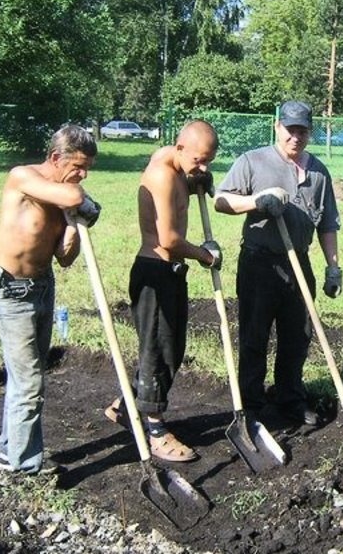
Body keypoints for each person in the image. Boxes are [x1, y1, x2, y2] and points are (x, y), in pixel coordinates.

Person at [214, 100, 342, 427]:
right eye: (290, 130)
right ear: (277, 127)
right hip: (260, 264)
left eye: (302, 131)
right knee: (255, 336)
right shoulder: (253, 162)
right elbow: (221, 200)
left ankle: (290, 399)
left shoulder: (318, 173)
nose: (295, 137)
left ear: (310, 132)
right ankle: (252, 407)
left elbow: (328, 224)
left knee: (297, 337)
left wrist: (333, 267)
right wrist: (256, 201)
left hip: (299, 262)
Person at [104, 120, 221, 463]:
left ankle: (126, 406)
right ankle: (154, 429)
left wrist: (197, 176)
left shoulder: (174, 160)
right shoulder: (163, 174)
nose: (203, 167)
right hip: (155, 273)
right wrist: (206, 254)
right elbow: (168, 239)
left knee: (165, 346)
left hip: (169, 272)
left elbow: (184, 175)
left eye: (209, 161)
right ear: (180, 147)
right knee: (160, 351)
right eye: (199, 160)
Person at [0, 124, 100, 475]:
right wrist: (83, 201)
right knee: (30, 381)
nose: (82, 175)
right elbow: (72, 197)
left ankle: (11, 452)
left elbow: (65, 259)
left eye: (87, 169)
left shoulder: (62, 195)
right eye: (78, 166)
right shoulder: (23, 177)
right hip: (11, 291)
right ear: (55, 157)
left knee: (27, 378)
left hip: (42, 286)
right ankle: (23, 470)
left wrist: (72, 227)